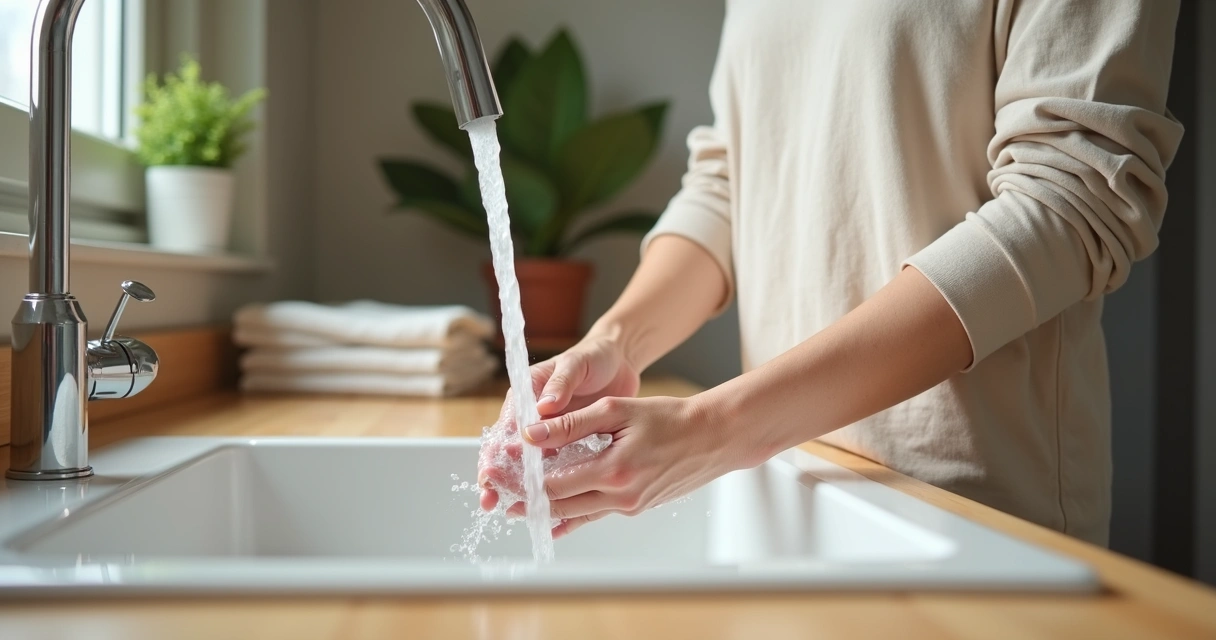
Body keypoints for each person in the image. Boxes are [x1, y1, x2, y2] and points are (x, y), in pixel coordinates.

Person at [478, 0, 1184, 545]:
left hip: (966, 506)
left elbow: (1070, 199)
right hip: (787, 485)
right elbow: (732, 180)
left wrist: (718, 426)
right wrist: (615, 343)